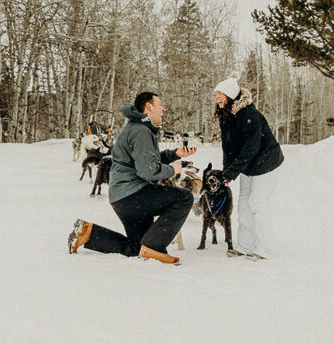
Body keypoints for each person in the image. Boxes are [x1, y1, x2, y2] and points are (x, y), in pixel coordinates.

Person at [67, 91, 196, 264]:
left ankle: (87, 233)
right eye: (160, 105)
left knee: (136, 248)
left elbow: (145, 160)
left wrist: (174, 154)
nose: (163, 109)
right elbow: (148, 171)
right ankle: (154, 249)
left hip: (124, 198)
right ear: (149, 107)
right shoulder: (141, 131)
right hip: (133, 195)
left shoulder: (137, 127)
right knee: (184, 198)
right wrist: (173, 170)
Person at [213, 72, 284, 260]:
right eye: (216, 94)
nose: (217, 98)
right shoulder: (226, 116)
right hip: (248, 166)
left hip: (266, 163)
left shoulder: (249, 115)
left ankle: (265, 248)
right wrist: (225, 175)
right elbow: (227, 148)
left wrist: (230, 174)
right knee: (244, 204)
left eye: (220, 94)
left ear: (230, 95)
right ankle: (245, 246)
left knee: (258, 204)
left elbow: (250, 149)